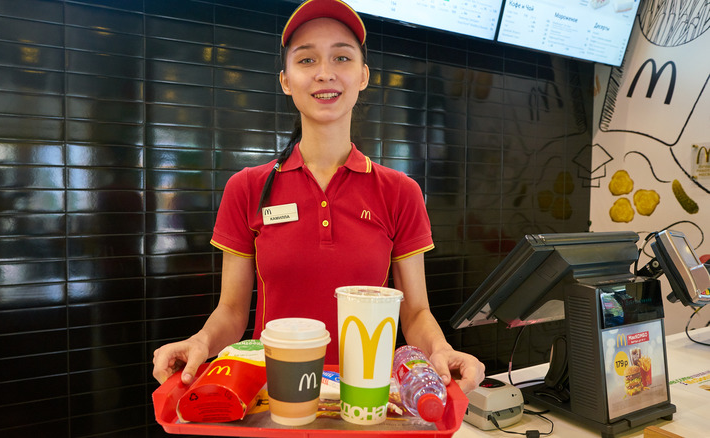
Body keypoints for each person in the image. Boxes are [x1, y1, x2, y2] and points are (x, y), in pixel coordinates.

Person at [152, 0, 485, 394]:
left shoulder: (400, 192)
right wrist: (202, 343)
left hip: (368, 399)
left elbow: (413, 312)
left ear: (363, 75)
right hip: (276, 397)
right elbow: (232, 310)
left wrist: (440, 349)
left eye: (341, 57)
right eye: (306, 60)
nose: (325, 74)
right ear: (286, 80)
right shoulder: (247, 187)